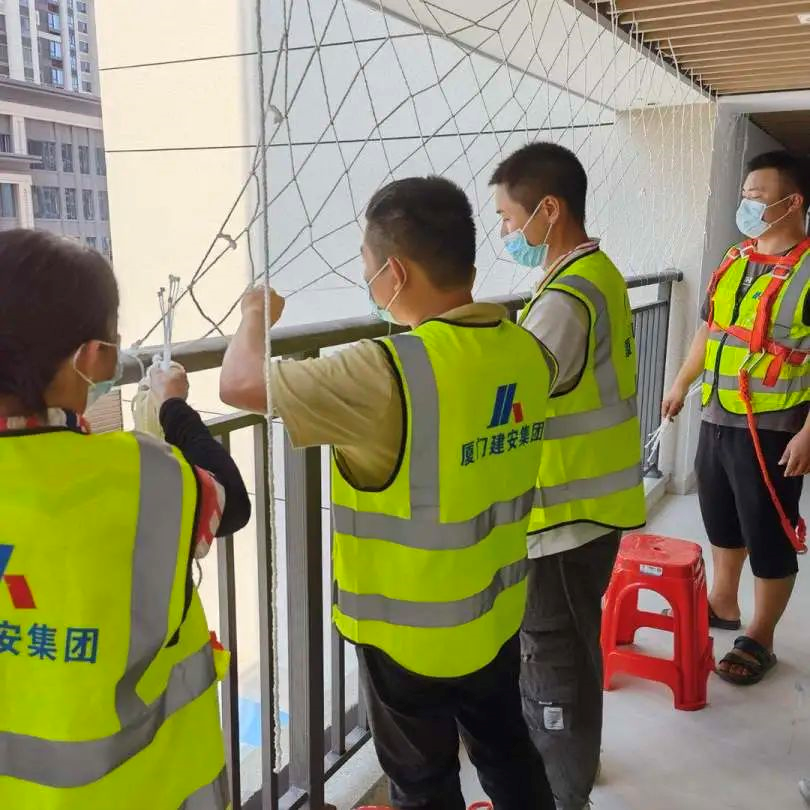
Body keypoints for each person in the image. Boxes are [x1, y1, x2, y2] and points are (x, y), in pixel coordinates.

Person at [220, 176, 558, 810]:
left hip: (408, 639)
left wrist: (255, 315)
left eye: (367, 265)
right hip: (494, 612)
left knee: (424, 785)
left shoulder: (386, 369)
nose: (367, 278)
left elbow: (238, 384)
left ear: (395, 273)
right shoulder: (528, 351)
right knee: (506, 750)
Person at [0, 229, 251, 809]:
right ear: (92, 357)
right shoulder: (148, 475)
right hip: (147, 788)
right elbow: (230, 501)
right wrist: (173, 407)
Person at [490, 142, 646, 810]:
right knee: (575, 653)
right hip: (594, 506)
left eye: (508, 217)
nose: (504, 231)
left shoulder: (565, 299)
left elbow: (510, 399)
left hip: (562, 519)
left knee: (550, 666)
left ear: (548, 210)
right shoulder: (596, 274)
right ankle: (576, 772)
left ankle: (560, 794)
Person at [663, 150, 810, 686]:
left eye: (757, 195)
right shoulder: (735, 259)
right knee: (721, 517)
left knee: (768, 530)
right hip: (718, 413)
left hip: (774, 425)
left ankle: (760, 636)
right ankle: (722, 602)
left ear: (792, 202)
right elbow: (711, 329)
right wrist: (681, 383)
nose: (745, 203)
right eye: (744, 194)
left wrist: (809, 433)